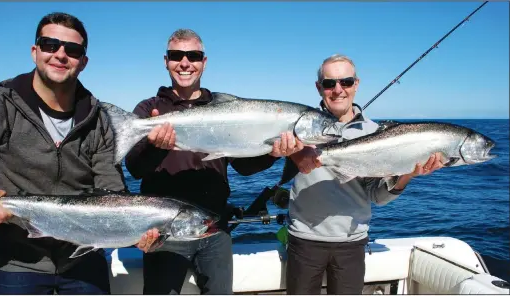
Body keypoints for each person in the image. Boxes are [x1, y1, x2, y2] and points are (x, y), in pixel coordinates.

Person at [0, 12, 156, 294]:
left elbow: (110, 186)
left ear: (83, 61)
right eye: (50, 45)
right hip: (18, 262)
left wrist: (135, 229)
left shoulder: (98, 120)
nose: (60, 55)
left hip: (85, 260)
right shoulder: (1, 106)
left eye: (72, 50)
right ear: (34, 51)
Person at [125, 28, 302, 295]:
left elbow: (243, 167)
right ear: (166, 61)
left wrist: (272, 153)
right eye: (177, 55)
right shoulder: (149, 110)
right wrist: (155, 147)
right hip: (165, 231)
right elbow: (135, 169)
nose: (185, 63)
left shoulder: (224, 109)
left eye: (193, 56)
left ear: (204, 62)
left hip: (214, 227)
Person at [285, 54, 444, 294]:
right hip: (303, 240)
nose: (338, 90)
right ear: (319, 88)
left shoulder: (377, 134)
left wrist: (406, 175)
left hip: (351, 244)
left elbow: (377, 196)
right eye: (330, 84)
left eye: (346, 82)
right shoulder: (298, 126)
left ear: (356, 84)